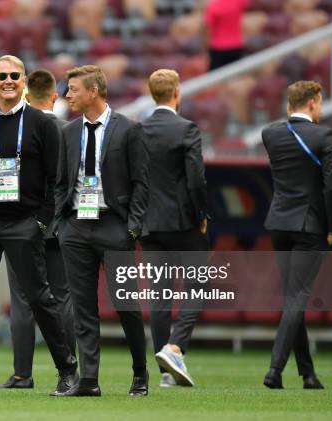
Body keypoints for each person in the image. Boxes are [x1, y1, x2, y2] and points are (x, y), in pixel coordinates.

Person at [0, 55, 78, 395]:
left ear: (23, 80)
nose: (8, 81)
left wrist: (41, 220)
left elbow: (57, 178)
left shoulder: (40, 123)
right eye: (1, 76)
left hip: (24, 223)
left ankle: (67, 369)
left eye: (14, 75)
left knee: (40, 298)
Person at [54, 65, 149, 397]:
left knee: (127, 305)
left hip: (114, 227)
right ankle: (89, 381)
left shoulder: (128, 130)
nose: (68, 95)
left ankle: (140, 373)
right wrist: (61, 222)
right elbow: (61, 182)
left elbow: (141, 182)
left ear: (93, 91)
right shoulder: (67, 132)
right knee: (83, 308)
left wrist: (132, 228)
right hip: (76, 227)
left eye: (74, 89)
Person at [0, 69, 76, 389]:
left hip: (22, 227)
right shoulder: (71, 131)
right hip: (60, 228)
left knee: (22, 299)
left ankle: (21, 374)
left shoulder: (16, 128)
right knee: (63, 299)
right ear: (54, 96)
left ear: (27, 95)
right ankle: (69, 372)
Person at [262, 80, 332, 389]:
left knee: (293, 299)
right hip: (310, 226)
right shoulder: (325, 136)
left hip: (279, 224)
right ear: (312, 103)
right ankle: (273, 370)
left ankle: (308, 374)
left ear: (288, 105)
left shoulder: (270, 134)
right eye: (320, 103)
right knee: (297, 299)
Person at [139, 69, 209, 388]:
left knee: (160, 295)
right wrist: (201, 214)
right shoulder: (186, 128)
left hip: (150, 224)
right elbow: (195, 178)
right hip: (183, 222)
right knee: (198, 284)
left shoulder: (138, 130)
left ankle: (166, 373)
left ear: (153, 93)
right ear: (177, 93)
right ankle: (174, 347)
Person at [204, 0, 248, 70]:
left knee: (216, 76)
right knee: (237, 74)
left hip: (219, 47)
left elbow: (207, 28)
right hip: (236, 45)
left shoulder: (213, 7)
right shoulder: (238, 2)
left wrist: (206, 47)